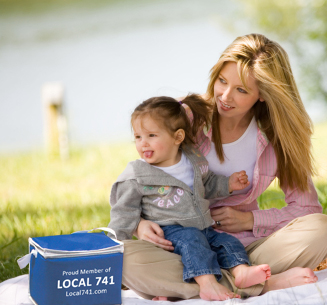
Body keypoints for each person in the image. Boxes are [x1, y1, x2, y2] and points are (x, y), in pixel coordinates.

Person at [120, 33, 327, 300]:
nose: (225, 96)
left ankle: (212, 282)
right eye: (222, 81)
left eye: (241, 90)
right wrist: (139, 225)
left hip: (246, 248)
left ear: (263, 94)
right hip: (181, 245)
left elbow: (307, 208)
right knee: (125, 257)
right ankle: (262, 283)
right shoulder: (187, 117)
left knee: (321, 229)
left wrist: (250, 219)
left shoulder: (278, 138)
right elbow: (142, 178)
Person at [108, 94, 271, 301]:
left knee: (225, 241)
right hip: (170, 231)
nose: (143, 144)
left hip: (203, 226)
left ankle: (241, 272)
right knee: (192, 241)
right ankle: (207, 283)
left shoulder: (192, 160)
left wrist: (227, 184)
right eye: (138, 137)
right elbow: (124, 211)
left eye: (151, 136)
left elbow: (207, 183)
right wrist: (113, 245)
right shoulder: (137, 174)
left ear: (177, 137)